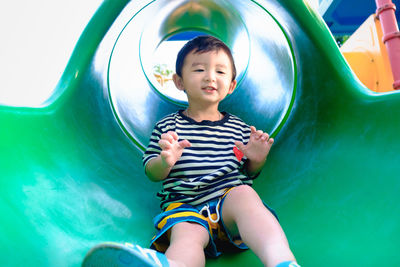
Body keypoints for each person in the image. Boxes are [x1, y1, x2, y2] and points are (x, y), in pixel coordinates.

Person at [83, 35, 299, 267]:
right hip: (185, 205)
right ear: (179, 81)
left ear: (232, 85)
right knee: (187, 235)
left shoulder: (240, 127)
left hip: (227, 203)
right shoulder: (168, 127)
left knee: (246, 197)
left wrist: (257, 159)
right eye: (198, 70)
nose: (210, 77)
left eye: (220, 71)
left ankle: (282, 261)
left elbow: (247, 171)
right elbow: (151, 172)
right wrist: (165, 161)